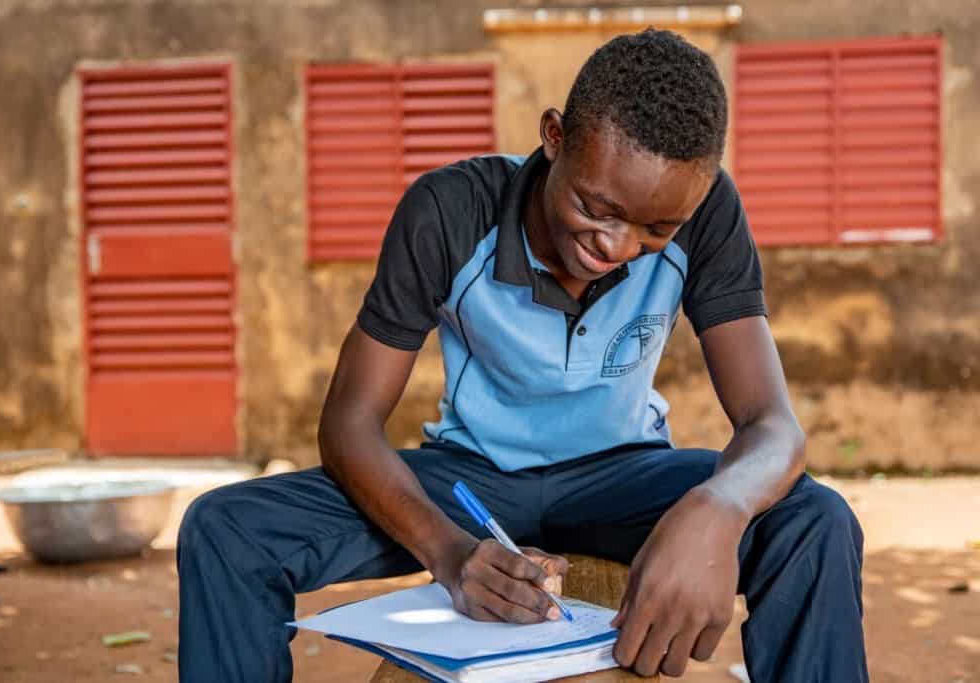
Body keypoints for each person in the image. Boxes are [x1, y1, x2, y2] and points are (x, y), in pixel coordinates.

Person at [177, 29, 867, 682]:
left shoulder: (711, 212)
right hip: (472, 484)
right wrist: (449, 554)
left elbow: (773, 425)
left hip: (623, 477)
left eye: (656, 228)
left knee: (814, 521)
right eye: (597, 208)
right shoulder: (448, 212)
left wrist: (717, 506)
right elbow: (349, 422)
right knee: (228, 528)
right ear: (554, 136)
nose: (618, 246)